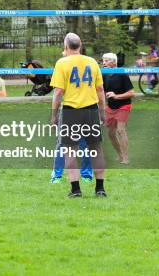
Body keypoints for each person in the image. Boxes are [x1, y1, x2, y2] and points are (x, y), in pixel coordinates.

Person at [50, 33, 107, 198]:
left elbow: (58, 92)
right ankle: (100, 189)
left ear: (66, 46)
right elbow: (100, 90)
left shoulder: (62, 63)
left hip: (70, 111)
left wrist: (54, 115)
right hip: (91, 110)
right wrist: (102, 112)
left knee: (70, 150)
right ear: (80, 45)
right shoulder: (92, 62)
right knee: (96, 149)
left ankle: (75, 190)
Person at [102, 52, 135, 164]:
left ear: (113, 62)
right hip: (111, 107)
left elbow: (131, 93)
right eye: (103, 60)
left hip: (124, 105)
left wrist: (116, 96)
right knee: (111, 133)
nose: (104, 63)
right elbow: (100, 90)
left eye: (106, 60)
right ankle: (120, 154)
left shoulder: (122, 74)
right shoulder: (104, 74)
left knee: (121, 130)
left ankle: (126, 157)